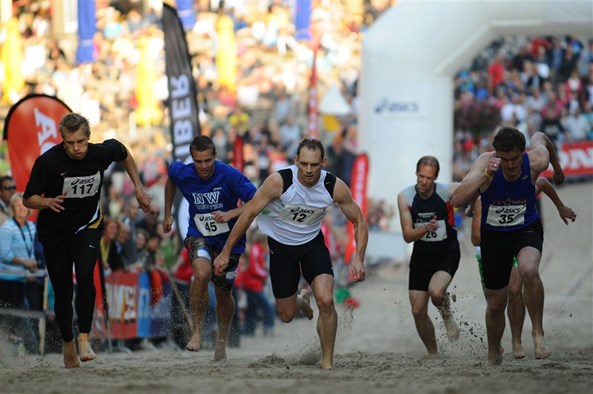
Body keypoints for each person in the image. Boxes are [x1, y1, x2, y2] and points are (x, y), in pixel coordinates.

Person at [213, 138, 368, 370]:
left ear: (323, 162)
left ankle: (327, 363)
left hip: (312, 245)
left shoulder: (333, 186)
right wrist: (226, 252)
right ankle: (301, 300)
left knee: (326, 301)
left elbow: (359, 221)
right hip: (281, 247)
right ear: (295, 161)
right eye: (303, 164)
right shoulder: (279, 181)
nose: (308, 170)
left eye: (314, 165)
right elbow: (248, 215)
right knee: (285, 315)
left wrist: (358, 258)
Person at [23, 113, 151, 368]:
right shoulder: (48, 161)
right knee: (62, 291)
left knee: (85, 275)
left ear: (88, 137)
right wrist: (46, 201)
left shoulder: (100, 153)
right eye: (70, 143)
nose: (76, 148)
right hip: (55, 232)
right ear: (62, 139)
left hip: (87, 225)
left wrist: (137, 187)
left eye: (81, 141)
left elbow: (124, 153)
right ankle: (68, 342)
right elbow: (28, 198)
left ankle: (84, 338)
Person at [451, 126, 565, 366]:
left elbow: (542, 137)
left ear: (522, 153)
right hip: (494, 237)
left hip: (526, 228)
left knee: (529, 270)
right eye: (504, 160)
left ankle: (537, 333)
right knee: (496, 303)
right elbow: (457, 200)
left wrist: (559, 169)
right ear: (497, 155)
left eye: (514, 159)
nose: (510, 165)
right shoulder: (485, 162)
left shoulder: (536, 159)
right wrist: (485, 175)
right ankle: (494, 352)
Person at [162, 135, 257, 362]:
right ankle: (196, 330)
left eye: (208, 161)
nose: (203, 166)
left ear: (215, 157)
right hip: (199, 234)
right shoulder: (182, 171)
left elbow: (256, 200)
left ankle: (221, 341)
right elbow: (171, 179)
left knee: (223, 292)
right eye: (198, 161)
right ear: (192, 159)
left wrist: (231, 213)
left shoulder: (230, 174)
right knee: (202, 274)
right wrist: (168, 213)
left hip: (230, 241)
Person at [470, 177, 576, 359]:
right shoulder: (482, 201)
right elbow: (475, 239)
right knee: (496, 302)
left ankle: (518, 340)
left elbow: (542, 183)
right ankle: (496, 344)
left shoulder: (521, 191)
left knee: (515, 289)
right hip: (494, 247)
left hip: (520, 241)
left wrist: (560, 207)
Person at [396, 156, 461, 356]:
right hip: (422, 254)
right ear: (416, 173)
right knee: (417, 310)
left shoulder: (447, 191)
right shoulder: (405, 197)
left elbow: (474, 186)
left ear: (436, 178)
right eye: (421, 176)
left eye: (429, 178)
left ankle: (447, 315)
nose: (424, 182)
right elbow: (407, 236)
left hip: (446, 252)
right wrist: (425, 228)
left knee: (436, 292)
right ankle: (433, 352)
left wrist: (472, 209)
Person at [0, 192, 40, 354]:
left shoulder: (31, 227)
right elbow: (4, 254)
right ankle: (29, 350)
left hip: (21, 278)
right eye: (17, 206)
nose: (21, 209)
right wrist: (24, 263)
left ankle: (14, 347)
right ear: (12, 209)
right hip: (6, 278)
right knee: (13, 313)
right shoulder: (8, 227)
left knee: (17, 314)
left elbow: (29, 251)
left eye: (23, 205)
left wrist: (31, 266)